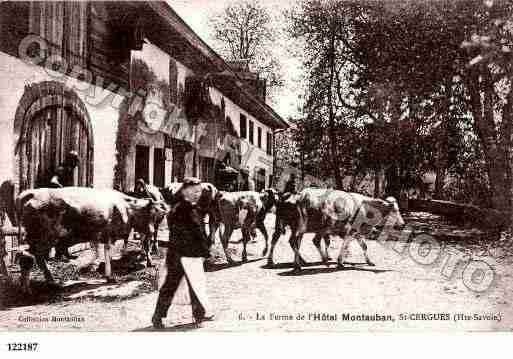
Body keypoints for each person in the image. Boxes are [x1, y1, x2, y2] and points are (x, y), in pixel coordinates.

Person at [152, 177, 214, 329]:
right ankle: (160, 316)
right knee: (181, 285)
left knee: (187, 284)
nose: (197, 194)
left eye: (199, 191)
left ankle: (198, 314)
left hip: (183, 253)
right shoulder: (181, 209)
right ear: (185, 191)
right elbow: (193, 232)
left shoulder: (188, 207)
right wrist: (205, 251)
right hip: (184, 254)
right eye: (194, 191)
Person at [49, 151, 80, 261]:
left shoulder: (69, 170)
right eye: (75, 160)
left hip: (67, 203)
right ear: (70, 160)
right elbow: (53, 181)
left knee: (69, 228)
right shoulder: (61, 169)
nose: (76, 163)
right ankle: (58, 254)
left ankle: (65, 252)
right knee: (61, 228)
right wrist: (63, 190)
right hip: (60, 203)